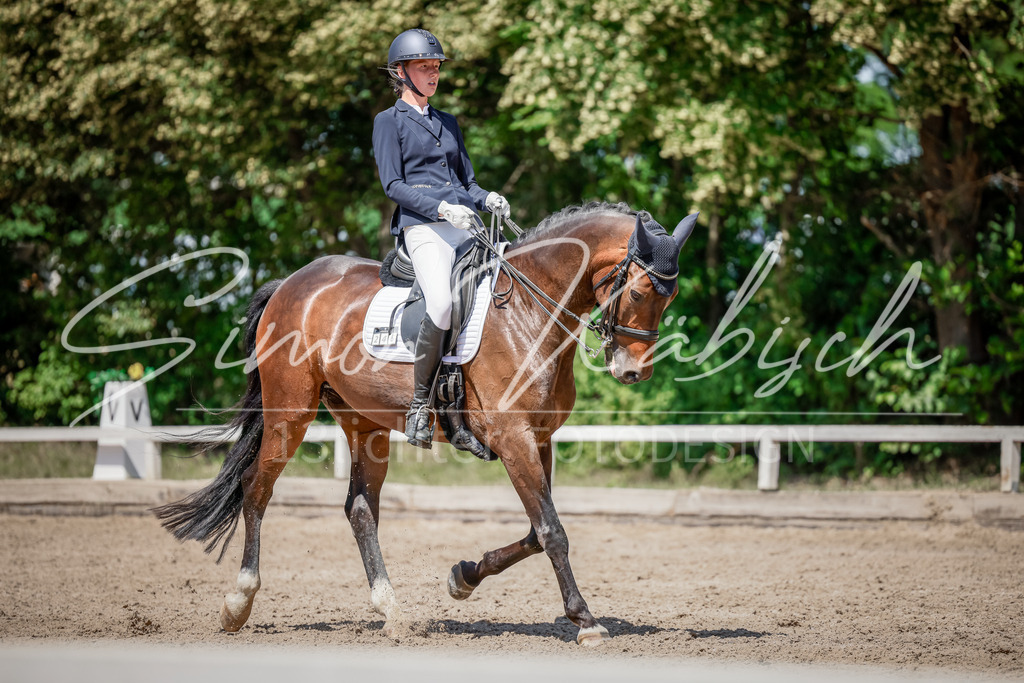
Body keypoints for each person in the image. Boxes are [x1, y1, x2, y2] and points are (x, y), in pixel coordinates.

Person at [372, 28, 511, 448]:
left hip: (464, 225)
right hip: (423, 228)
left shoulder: (447, 122)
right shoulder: (388, 122)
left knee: (504, 291)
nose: (433, 74)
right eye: (424, 67)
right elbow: (392, 184)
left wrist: (487, 197)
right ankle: (419, 405)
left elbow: (466, 182)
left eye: (436, 68)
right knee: (442, 303)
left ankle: (467, 406)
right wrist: (439, 209)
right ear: (402, 72)